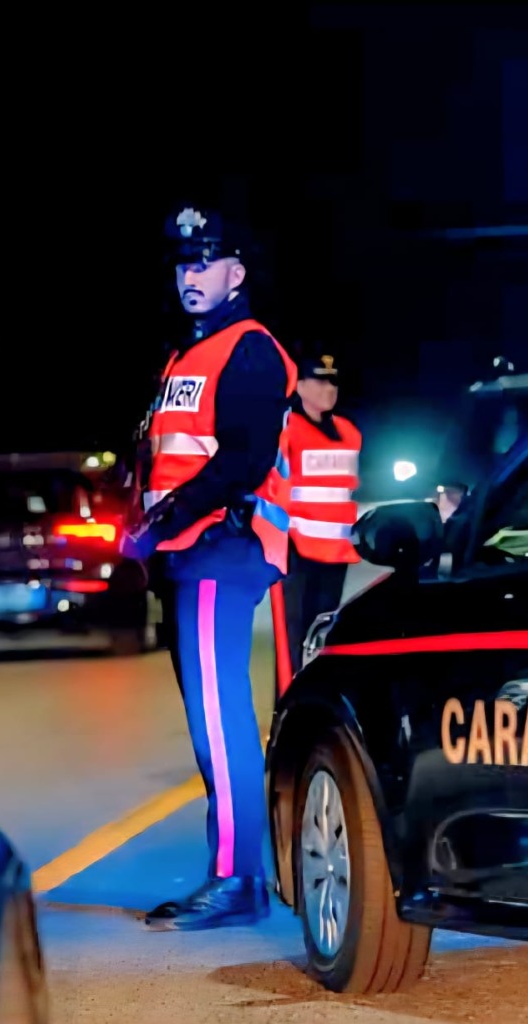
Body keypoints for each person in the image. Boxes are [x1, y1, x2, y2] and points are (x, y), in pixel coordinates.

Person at [122, 205, 297, 931]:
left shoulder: (250, 349)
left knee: (222, 726)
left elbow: (245, 459)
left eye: (205, 263)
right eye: (182, 264)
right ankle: (235, 875)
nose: (190, 277)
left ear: (237, 272)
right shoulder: (183, 355)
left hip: (221, 549)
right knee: (208, 724)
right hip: (183, 554)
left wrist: (166, 518)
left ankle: (236, 880)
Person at [274, 348, 362, 693]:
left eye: (333, 383)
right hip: (296, 548)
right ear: (300, 387)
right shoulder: (286, 431)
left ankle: (318, 702)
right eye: (320, 382)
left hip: (335, 552)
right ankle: (288, 705)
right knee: (293, 636)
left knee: (324, 635)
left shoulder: (349, 432)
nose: (328, 390)